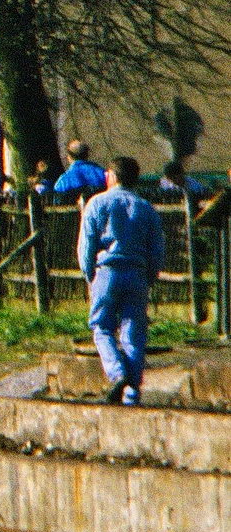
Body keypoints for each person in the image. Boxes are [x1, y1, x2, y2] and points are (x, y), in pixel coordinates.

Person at [78, 156, 164, 406]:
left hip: (107, 270)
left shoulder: (97, 203)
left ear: (113, 176)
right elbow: (157, 248)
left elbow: (87, 245)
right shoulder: (146, 208)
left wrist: (89, 274)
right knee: (133, 330)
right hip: (137, 273)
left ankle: (117, 372)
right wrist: (150, 276)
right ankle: (132, 392)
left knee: (102, 326)